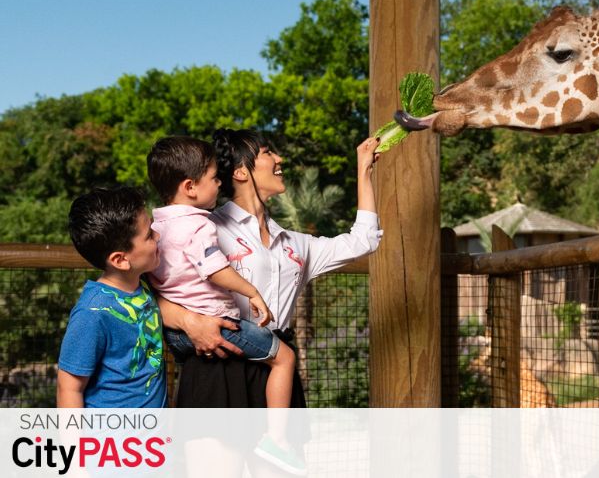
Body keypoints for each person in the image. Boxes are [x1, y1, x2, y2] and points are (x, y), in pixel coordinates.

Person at [158, 128, 381, 476]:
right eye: (267, 152)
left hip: (278, 364)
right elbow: (150, 295)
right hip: (218, 367)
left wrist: (363, 169)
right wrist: (189, 323)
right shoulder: (200, 226)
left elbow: (363, 240)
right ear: (240, 171)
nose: (280, 159)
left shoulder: (295, 243)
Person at [146, 136, 303, 473]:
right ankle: (277, 440)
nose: (221, 182)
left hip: (198, 344)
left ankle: (277, 442)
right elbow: (212, 270)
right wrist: (249, 292)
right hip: (219, 353)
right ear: (190, 186)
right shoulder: (201, 224)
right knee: (284, 358)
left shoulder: (158, 227)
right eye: (216, 177)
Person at [57, 186, 165, 408]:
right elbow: (69, 388)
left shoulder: (142, 284)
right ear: (120, 260)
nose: (158, 236)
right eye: (149, 235)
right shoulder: (92, 313)